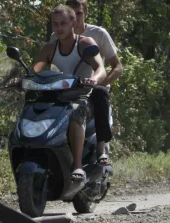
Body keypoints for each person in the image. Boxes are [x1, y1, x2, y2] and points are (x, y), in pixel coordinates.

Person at [31, 4, 106, 182]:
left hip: (82, 96)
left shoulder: (85, 44)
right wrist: (23, 80)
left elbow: (101, 69)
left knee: (75, 114)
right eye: (55, 24)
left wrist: (93, 79)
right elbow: (36, 69)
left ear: (74, 22)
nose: (59, 28)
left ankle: (77, 165)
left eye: (63, 23)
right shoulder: (50, 48)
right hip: (57, 95)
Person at [49, 0, 122, 165]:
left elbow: (117, 67)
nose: (76, 18)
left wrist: (100, 82)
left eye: (79, 13)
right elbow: (46, 63)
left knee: (100, 93)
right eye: (72, 14)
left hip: (92, 87)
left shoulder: (98, 34)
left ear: (86, 14)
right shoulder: (56, 36)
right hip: (67, 87)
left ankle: (101, 149)